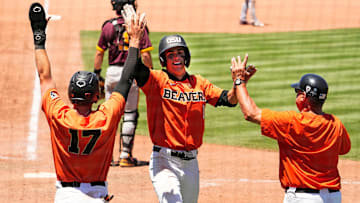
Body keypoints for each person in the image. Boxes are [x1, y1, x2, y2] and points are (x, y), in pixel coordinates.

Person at [29, 2, 147, 202]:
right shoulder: (106, 117)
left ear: (70, 93)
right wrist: (134, 39)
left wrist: (39, 37)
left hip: (65, 195)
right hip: (97, 194)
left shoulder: (58, 114)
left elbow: (44, 76)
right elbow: (126, 79)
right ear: (95, 97)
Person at [129, 30, 239, 201]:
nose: (176, 58)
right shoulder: (157, 80)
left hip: (191, 163)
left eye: (180, 53)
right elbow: (135, 69)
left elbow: (229, 100)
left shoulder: (199, 83)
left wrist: (238, 82)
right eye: (171, 54)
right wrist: (135, 40)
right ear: (164, 60)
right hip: (164, 160)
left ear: (186, 57)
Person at [230, 55, 351, 203]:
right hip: (333, 197)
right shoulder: (336, 123)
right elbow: (344, 149)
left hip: (303, 198)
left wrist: (239, 81)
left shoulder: (292, 122)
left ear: (304, 97)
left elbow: (251, 113)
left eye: (298, 92)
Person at [94, 0, 153, 167]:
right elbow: (146, 56)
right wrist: (151, 75)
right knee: (130, 114)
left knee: (110, 115)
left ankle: (106, 157)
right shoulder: (138, 26)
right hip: (131, 74)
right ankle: (125, 155)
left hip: (112, 73)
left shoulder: (108, 26)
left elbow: (99, 54)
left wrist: (96, 73)